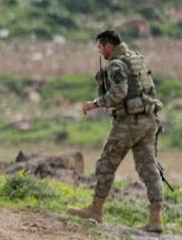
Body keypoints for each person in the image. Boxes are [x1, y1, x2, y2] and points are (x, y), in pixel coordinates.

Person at [68, 30, 164, 233]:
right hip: (149, 120)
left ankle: (95, 210)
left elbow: (119, 93)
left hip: (128, 123)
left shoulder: (116, 64)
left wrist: (95, 104)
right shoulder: (135, 58)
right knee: (149, 169)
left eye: (100, 47)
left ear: (108, 45)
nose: (100, 51)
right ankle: (156, 219)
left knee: (106, 164)